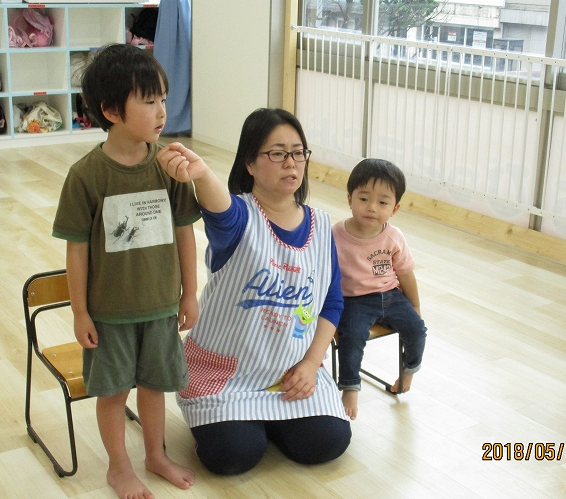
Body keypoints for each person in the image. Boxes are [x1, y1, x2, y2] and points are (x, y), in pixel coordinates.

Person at [158, 108, 351, 475]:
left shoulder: (322, 225)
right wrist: (201, 173)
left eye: (298, 153)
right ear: (249, 163)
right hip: (227, 375)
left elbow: (332, 302)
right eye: (277, 153)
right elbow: (219, 208)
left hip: (288, 373)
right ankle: (250, 425)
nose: (291, 163)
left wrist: (311, 364)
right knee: (233, 455)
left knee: (328, 442)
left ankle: (265, 420)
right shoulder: (238, 219)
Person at [52, 44, 201, 499]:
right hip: (109, 313)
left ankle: (155, 455)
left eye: (163, 99)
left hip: (160, 307)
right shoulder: (86, 175)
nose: (162, 112)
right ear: (112, 111)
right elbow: (77, 251)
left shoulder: (170, 166)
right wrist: (80, 312)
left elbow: (185, 234)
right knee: (114, 393)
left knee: (155, 387)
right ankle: (119, 467)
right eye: (149, 101)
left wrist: (189, 294)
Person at [332, 159, 427, 419]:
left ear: (394, 208)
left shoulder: (393, 236)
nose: (372, 208)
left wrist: (415, 306)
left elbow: (406, 274)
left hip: (391, 295)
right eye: (363, 199)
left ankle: (408, 371)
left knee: (417, 330)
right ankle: (350, 387)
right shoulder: (336, 235)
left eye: (382, 203)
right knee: (352, 337)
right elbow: (324, 276)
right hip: (354, 300)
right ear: (350, 199)